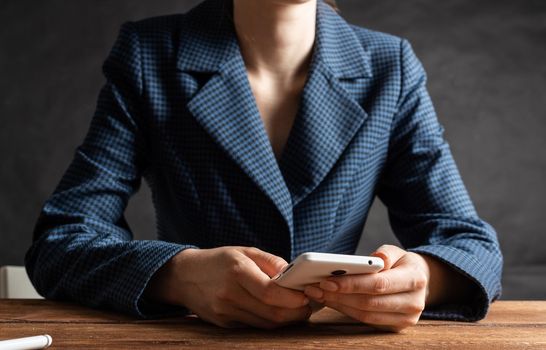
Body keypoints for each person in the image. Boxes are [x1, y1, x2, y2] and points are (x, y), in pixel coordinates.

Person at [25, 0, 503, 332]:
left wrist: (421, 278)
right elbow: (61, 242)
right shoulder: (150, 55)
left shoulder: (389, 67)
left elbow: (470, 245)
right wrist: (181, 275)